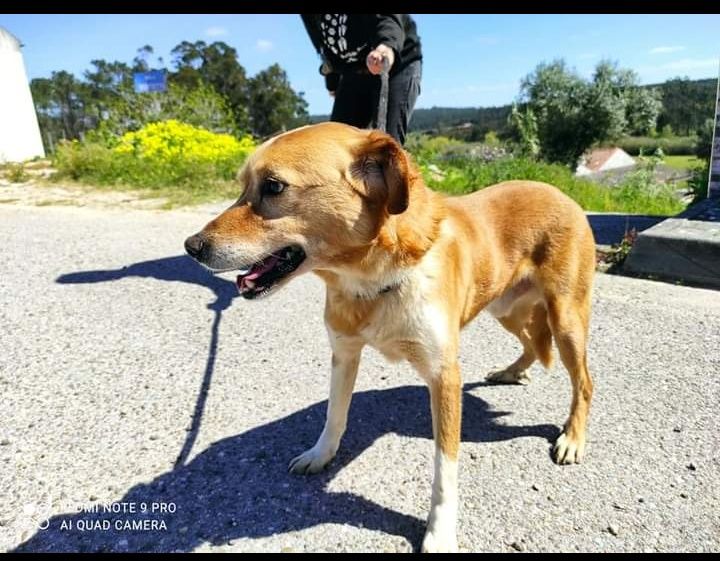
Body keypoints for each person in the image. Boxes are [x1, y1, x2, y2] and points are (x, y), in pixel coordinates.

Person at [301, 14, 422, 146]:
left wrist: (386, 47)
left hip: (396, 63)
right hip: (354, 68)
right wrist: (332, 82)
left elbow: (387, 20)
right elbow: (324, 45)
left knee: (385, 143)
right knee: (337, 142)